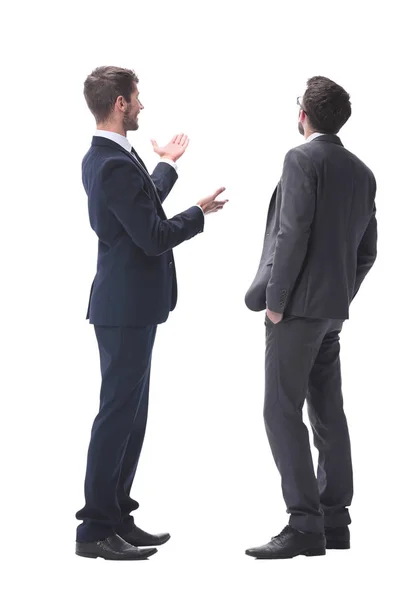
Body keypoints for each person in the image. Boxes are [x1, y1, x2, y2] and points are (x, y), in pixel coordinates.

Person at [75, 66, 228, 560]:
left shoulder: (110, 157)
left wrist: (165, 166)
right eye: (137, 98)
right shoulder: (112, 162)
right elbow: (153, 234)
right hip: (123, 306)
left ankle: (117, 515)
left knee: (131, 415)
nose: (142, 105)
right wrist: (199, 214)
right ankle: (95, 529)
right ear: (120, 103)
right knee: (117, 416)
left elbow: (141, 211)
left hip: (131, 305)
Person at [244, 76, 377, 560]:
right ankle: (334, 521)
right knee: (327, 411)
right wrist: (339, 295)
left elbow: (292, 232)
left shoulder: (300, 159)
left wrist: (277, 301)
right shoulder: (363, 173)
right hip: (330, 313)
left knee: (280, 410)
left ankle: (304, 526)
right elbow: (368, 251)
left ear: (303, 115)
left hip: (296, 310)